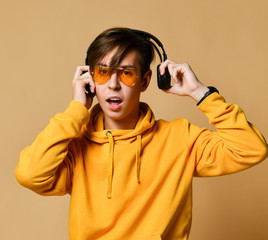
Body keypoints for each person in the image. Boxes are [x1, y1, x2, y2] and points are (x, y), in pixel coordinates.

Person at [15, 27, 268, 240]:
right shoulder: (76, 147)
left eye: (125, 73)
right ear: (90, 80)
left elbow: (251, 148)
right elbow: (30, 175)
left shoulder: (180, 138)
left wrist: (199, 92)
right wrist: (77, 109)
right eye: (103, 72)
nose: (113, 84)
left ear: (145, 81)